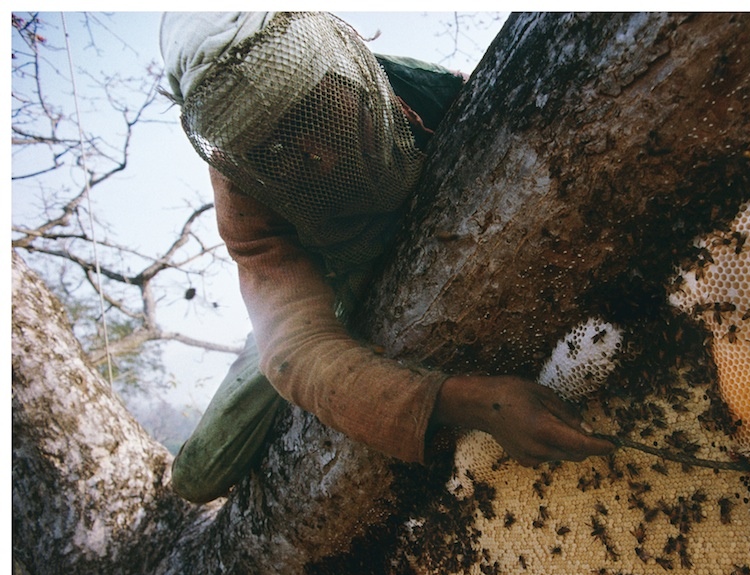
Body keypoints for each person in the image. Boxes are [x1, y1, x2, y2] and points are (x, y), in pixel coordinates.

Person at [160, 12, 613, 503]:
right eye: (267, 146)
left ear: (339, 58)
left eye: (308, 111)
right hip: (322, 291)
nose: (313, 156)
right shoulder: (242, 192)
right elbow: (297, 348)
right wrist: (477, 404)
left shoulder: (438, 91)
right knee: (199, 475)